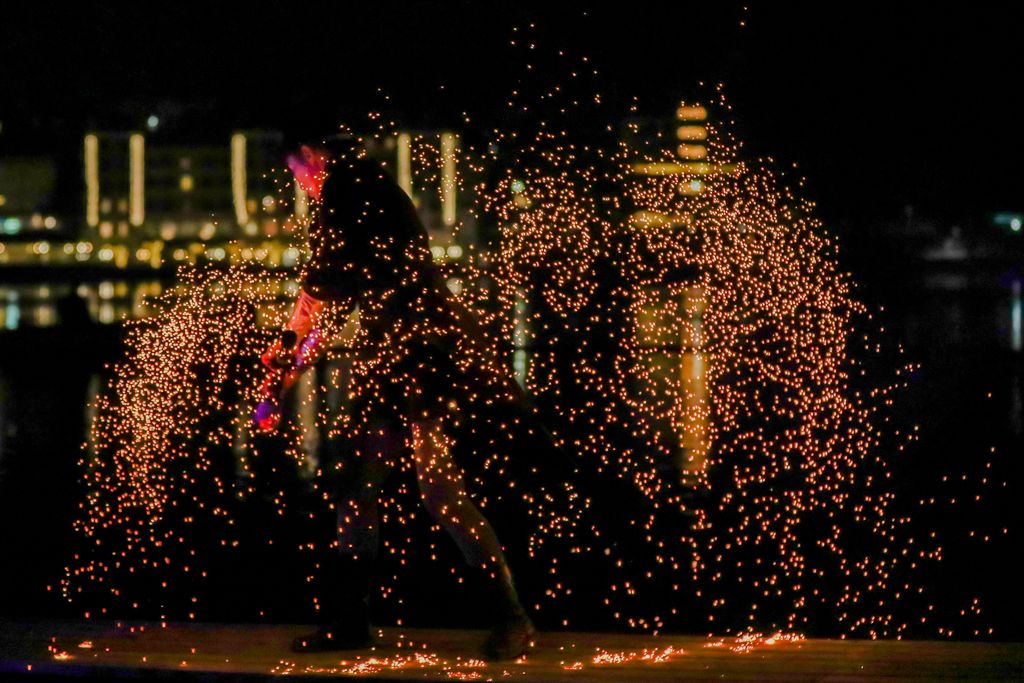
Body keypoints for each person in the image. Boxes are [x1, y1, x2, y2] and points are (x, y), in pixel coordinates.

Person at [258, 138, 537, 660]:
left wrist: (289, 353)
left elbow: (321, 291)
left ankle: (511, 618)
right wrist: (292, 360)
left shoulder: (351, 188)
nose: (301, 184)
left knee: (438, 489)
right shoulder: (357, 193)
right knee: (356, 486)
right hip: (389, 351)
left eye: (296, 171)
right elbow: (334, 298)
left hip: (423, 351)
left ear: (310, 153)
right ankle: (351, 620)